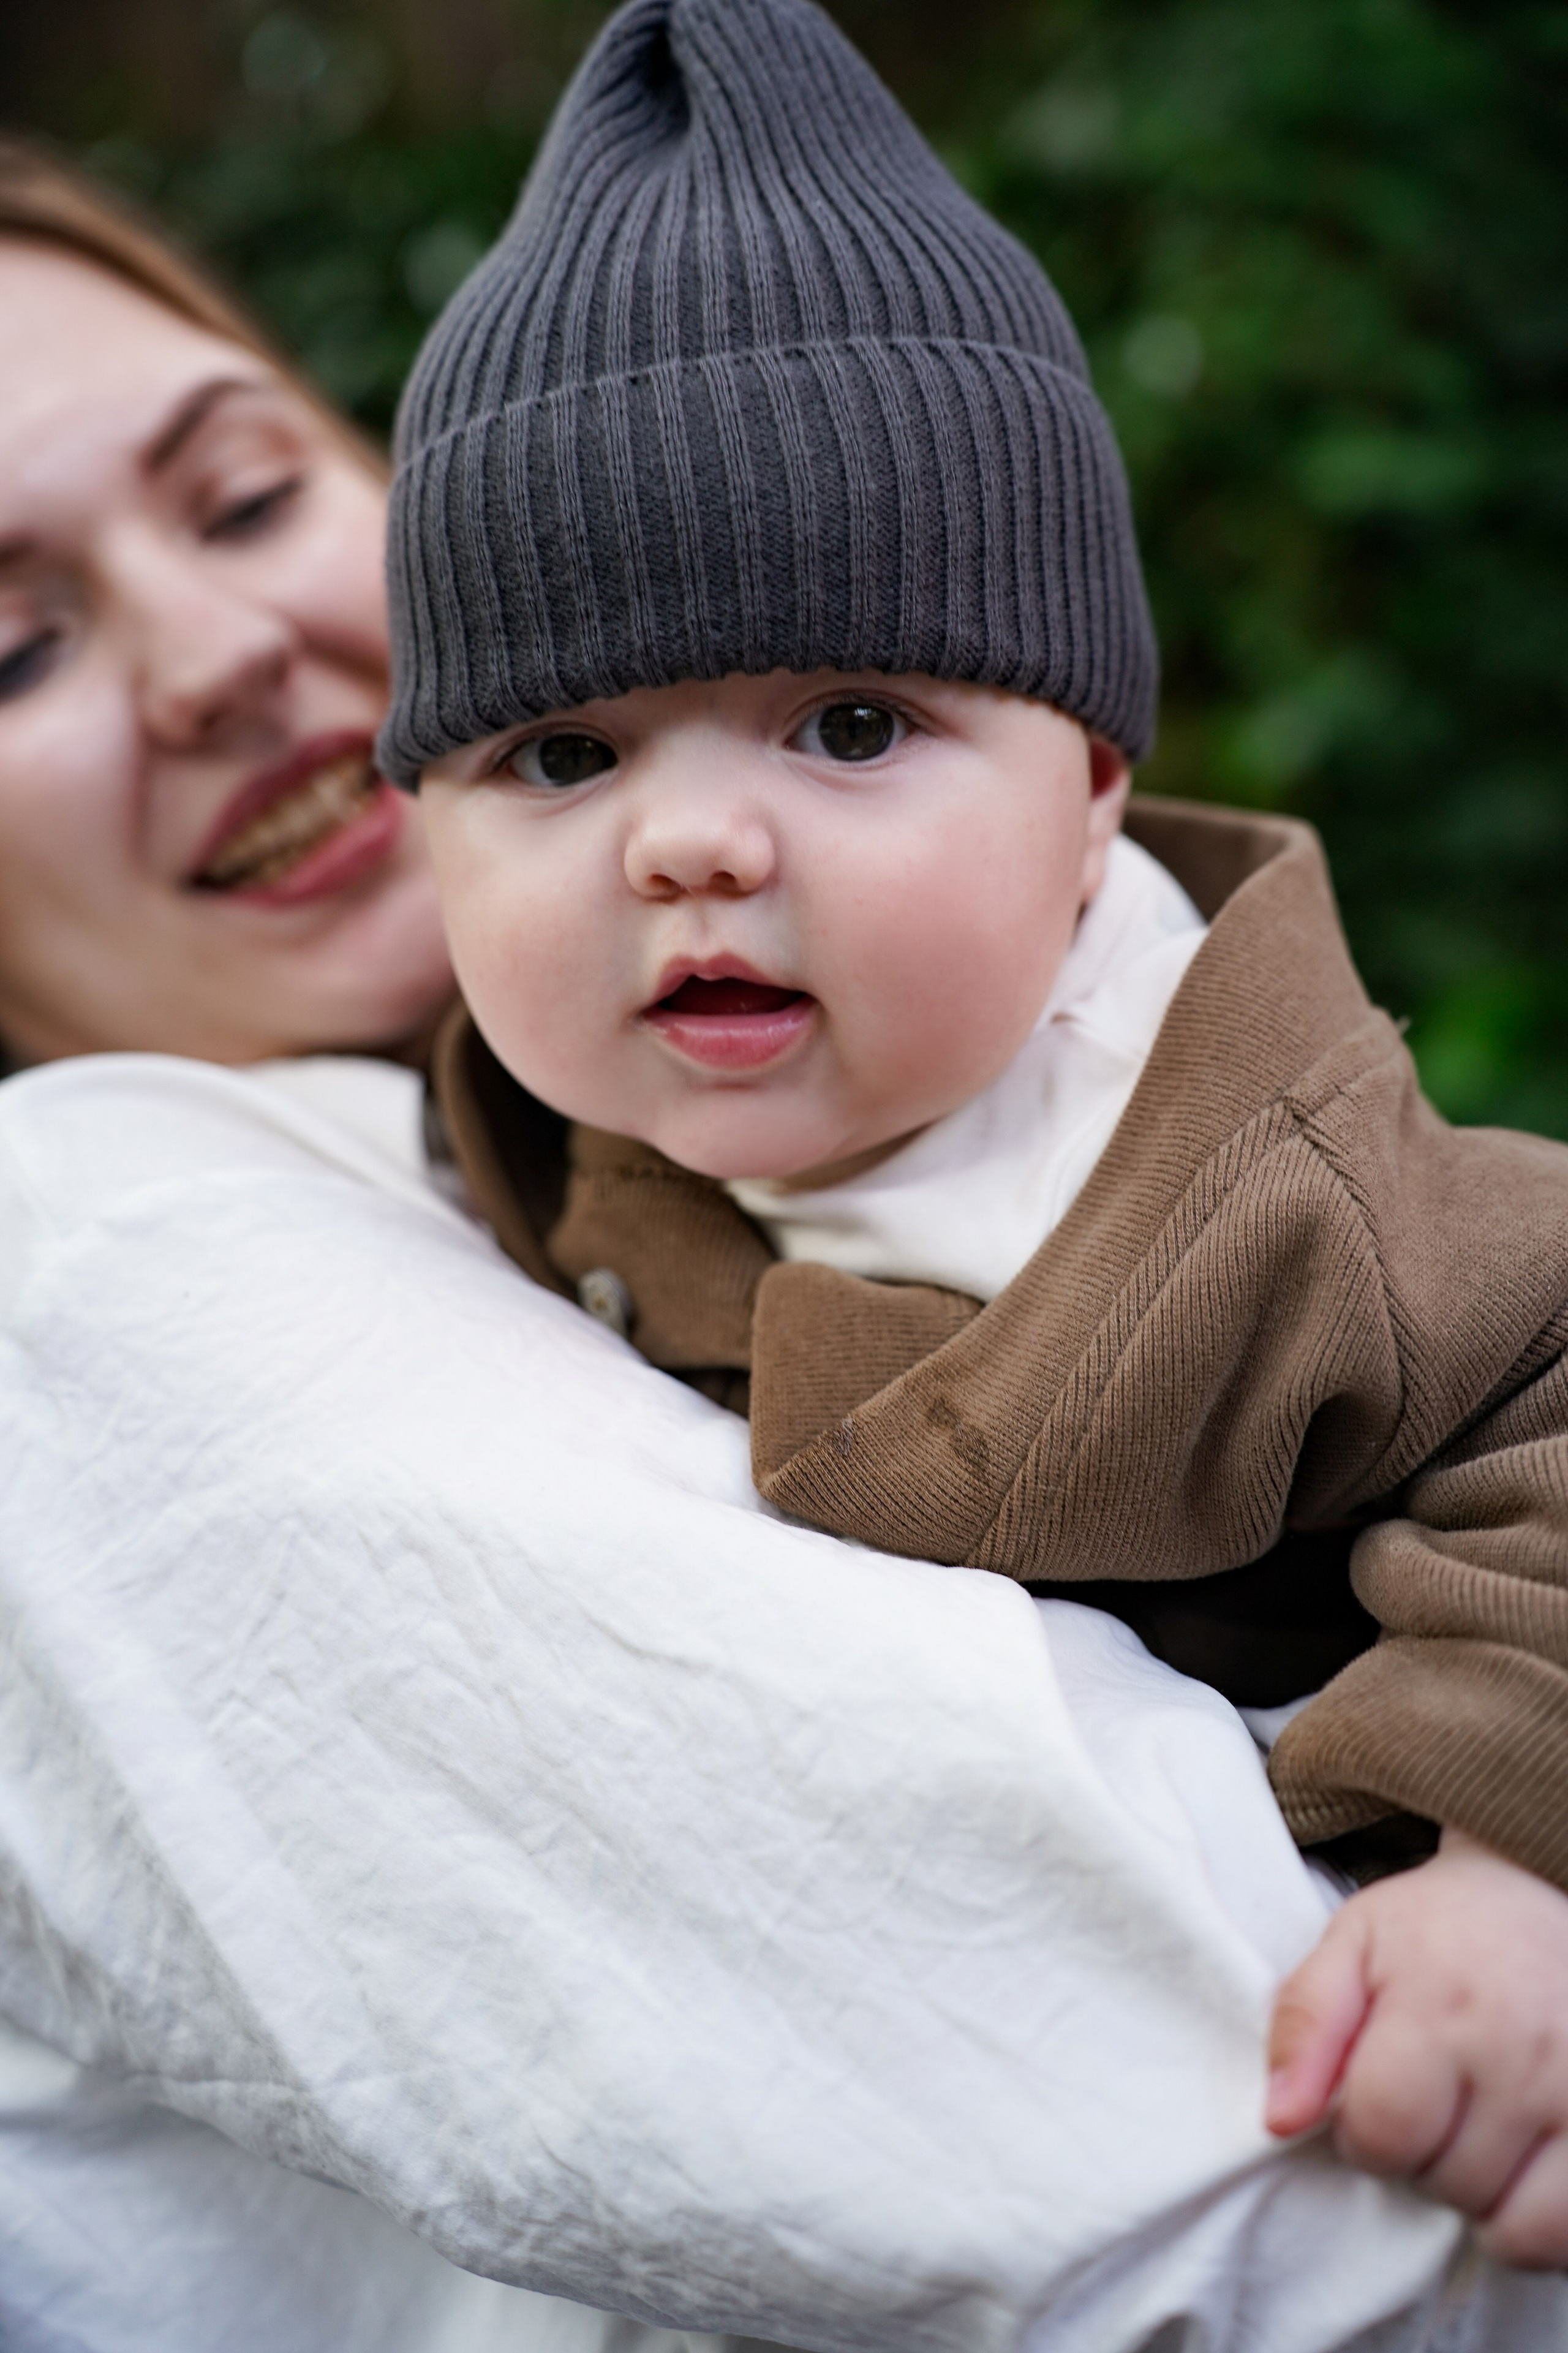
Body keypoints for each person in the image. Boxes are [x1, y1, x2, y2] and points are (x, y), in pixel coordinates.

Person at [0, 129, 1559, 2353]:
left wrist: (1519, 1823)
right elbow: (1262, 2228)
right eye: (10, 648)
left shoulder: (1130, 1126)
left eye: (247, 496)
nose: (219, 660)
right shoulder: (76, 1246)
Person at [383, 0, 1568, 2271]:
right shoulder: (499, 1151)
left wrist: (1518, 1863)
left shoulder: (1260, 1185)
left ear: (1096, 781)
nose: (694, 844)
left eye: (849, 721)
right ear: (417, 824)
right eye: (559, 756)